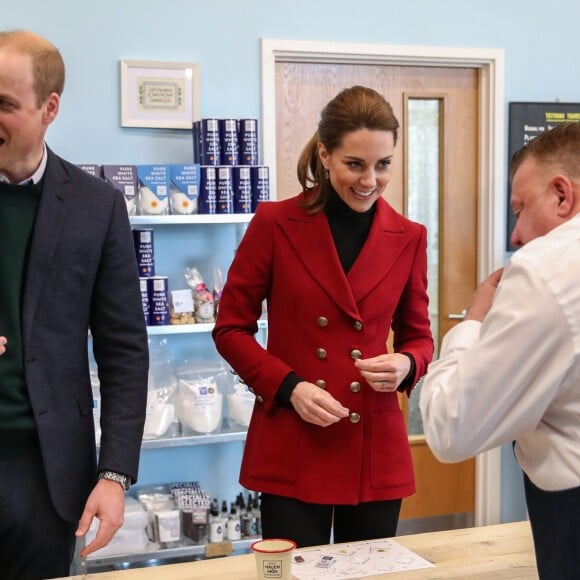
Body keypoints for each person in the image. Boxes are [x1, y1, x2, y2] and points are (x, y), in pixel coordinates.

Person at [213, 85, 434, 547]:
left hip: (371, 437)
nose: (369, 180)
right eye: (355, 164)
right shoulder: (274, 223)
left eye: (383, 164)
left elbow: (418, 337)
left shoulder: (409, 237)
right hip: (295, 433)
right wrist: (289, 387)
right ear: (325, 155)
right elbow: (231, 328)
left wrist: (406, 364)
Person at [0, 30, 149, 579]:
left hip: (48, 474)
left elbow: (124, 350)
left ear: (49, 108)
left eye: (5, 105)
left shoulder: (96, 207)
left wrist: (114, 475)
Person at [419, 121, 580, 579]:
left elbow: (452, 427)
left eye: (520, 209)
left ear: (562, 195)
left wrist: (473, 321)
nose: (514, 236)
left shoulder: (546, 269)